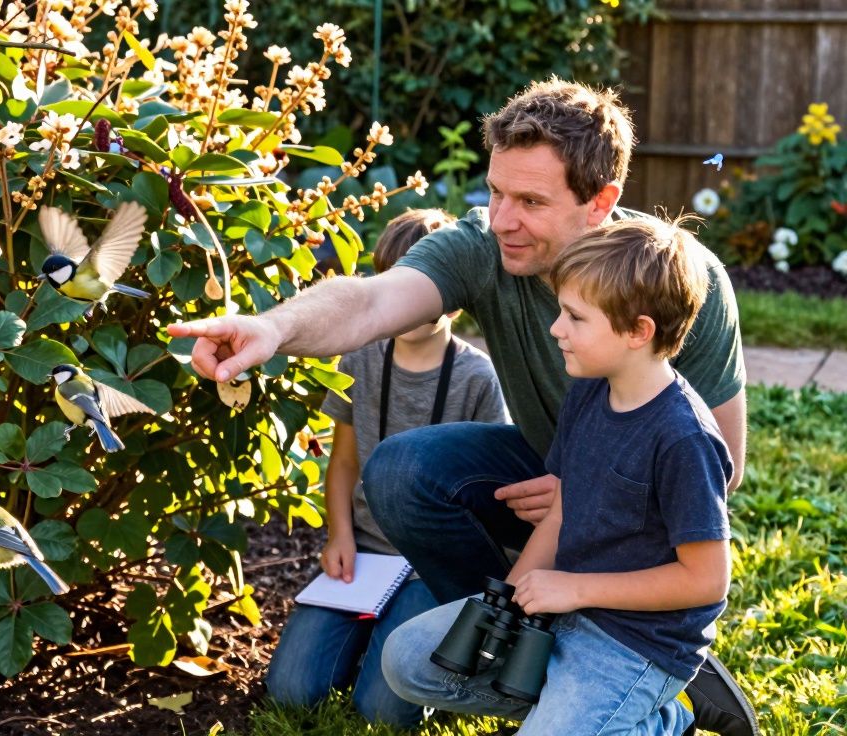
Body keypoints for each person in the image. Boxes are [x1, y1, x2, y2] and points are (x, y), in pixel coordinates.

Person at [168, 78, 759, 735]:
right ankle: (525, 637)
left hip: (636, 510)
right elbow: (370, 300)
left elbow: (720, 465)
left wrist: (589, 503)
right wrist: (273, 329)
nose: (502, 219)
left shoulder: (677, 284)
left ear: (600, 202)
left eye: (530, 201)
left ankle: (634, 677)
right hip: (549, 471)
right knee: (399, 473)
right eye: (496, 192)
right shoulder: (486, 248)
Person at [382, 218, 733, 734]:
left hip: (637, 644)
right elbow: (565, 503)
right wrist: (515, 593)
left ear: (638, 331)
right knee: (407, 660)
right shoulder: (592, 388)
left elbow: (706, 580)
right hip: (567, 609)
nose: (556, 329)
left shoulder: (684, 438)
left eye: (574, 317)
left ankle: (664, 720)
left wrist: (574, 589)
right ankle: (577, 716)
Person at [265, 209, 510, 727]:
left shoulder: (478, 377)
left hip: (434, 561)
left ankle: (401, 645)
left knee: (382, 711)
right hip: (366, 553)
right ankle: (369, 636)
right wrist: (339, 535)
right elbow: (344, 460)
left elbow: (495, 490)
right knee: (290, 690)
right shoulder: (361, 359)